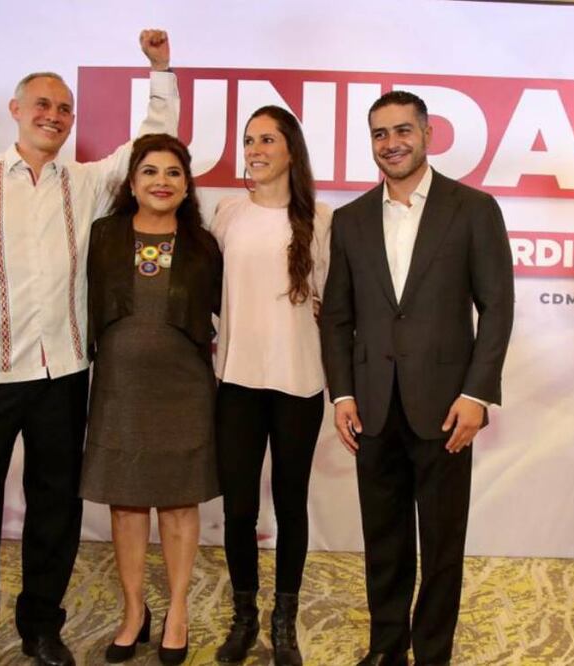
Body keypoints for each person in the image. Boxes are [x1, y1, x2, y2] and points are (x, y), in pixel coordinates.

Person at [0, 30, 178, 666]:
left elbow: (151, 140)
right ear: (15, 110)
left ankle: (41, 627)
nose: (53, 116)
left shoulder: (85, 182)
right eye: (42, 104)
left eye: (64, 109)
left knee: (54, 510)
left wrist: (161, 70)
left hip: (63, 372)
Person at [319, 91, 515, 666]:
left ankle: (432, 654)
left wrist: (477, 393)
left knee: (442, 544)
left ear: (428, 135)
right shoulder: (351, 220)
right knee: (385, 542)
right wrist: (344, 393)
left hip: (446, 408)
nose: (391, 143)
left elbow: (497, 308)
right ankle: (386, 649)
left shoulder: (473, 209)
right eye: (379, 133)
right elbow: (337, 315)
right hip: (372, 406)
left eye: (403, 130)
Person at [80, 133, 221, 664]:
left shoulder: (205, 245)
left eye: (173, 173)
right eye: (150, 172)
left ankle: (178, 611)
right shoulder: (101, 235)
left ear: (186, 186)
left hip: (185, 390)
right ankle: (133, 611)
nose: (161, 182)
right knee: (128, 502)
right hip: (120, 391)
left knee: (181, 504)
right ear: (132, 182)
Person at [211, 106, 331, 666]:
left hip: (298, 385)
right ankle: (244, 617)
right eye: (248, 139)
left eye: (266, 139)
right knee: (238, 509)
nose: (254, 148)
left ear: (290, 150)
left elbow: (335, 308)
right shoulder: (226, 214)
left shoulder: (322, 220)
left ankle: (285, 622)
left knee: (289, 504)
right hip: (236, 382)